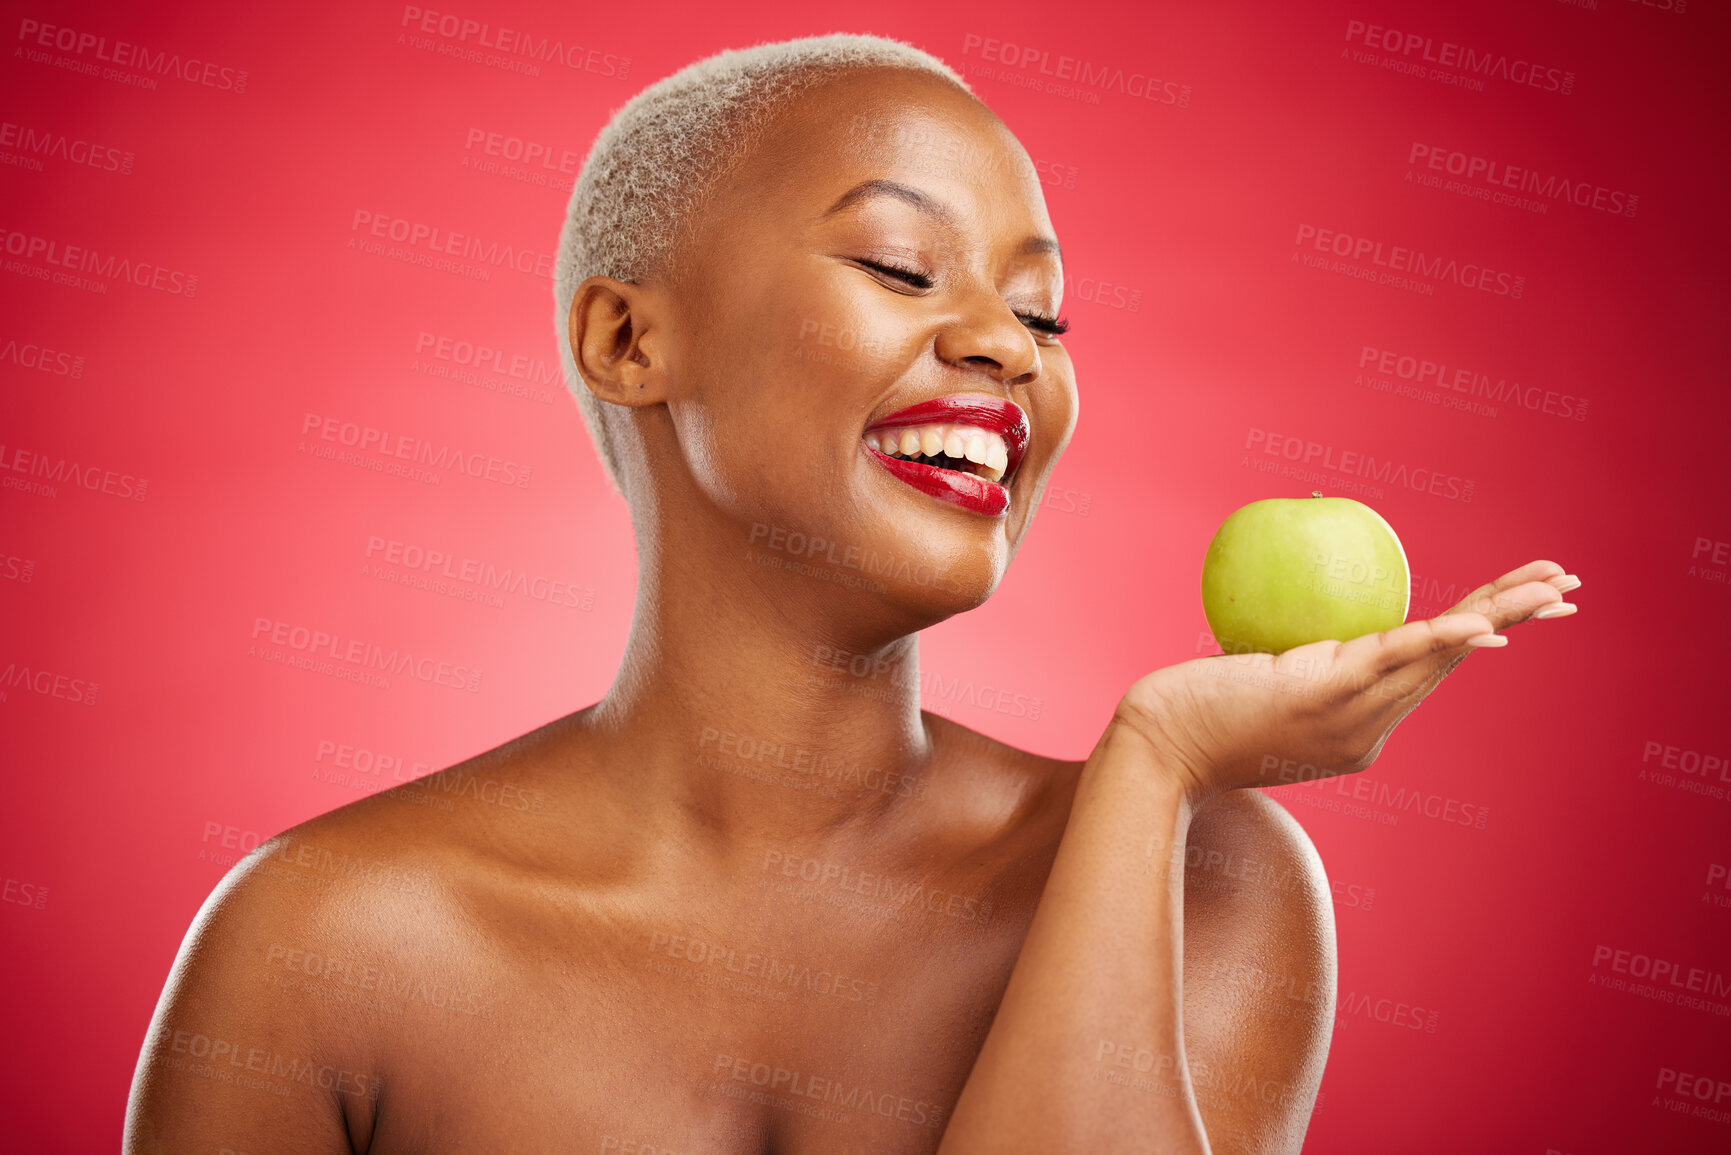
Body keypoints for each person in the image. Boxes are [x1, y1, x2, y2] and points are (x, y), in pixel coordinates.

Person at [123, 32, 1578, 1154]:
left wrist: (1158, 767)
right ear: (629, 340)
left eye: (1042, 309)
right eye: (900, 263)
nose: (1008, 348)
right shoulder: (322, 944)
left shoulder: (1207, 879)